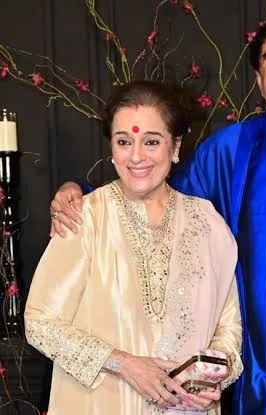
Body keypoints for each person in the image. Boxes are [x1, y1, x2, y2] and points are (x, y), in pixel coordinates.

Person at [47, 12, 266, 415]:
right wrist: (80, 192)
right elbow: (161, 195)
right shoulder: (229, 151)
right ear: (259, 79)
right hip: (256, 348)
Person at [25, 80, 243, 414]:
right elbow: (40, 323)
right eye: (124, 141)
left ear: (175, 146)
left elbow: (229, 327)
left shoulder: (207, 224)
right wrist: (123, 364)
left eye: (151, 141)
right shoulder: (85, 218)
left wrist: (211, 378)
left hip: (186, 407)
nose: (136, 156)